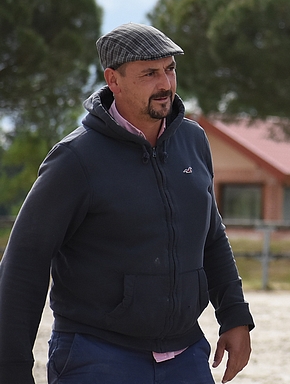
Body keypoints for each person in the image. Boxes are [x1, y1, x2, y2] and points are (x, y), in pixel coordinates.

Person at [0, 23, 254, 384]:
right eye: (150, 73)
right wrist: (10, 370)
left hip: (186, 356)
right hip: (96, 355)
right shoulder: (75, 160)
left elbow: (211, 235)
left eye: (169, 69)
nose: (165, 84)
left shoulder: (193, 141)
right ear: (113, 80)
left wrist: (234, 315)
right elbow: (24, 265)